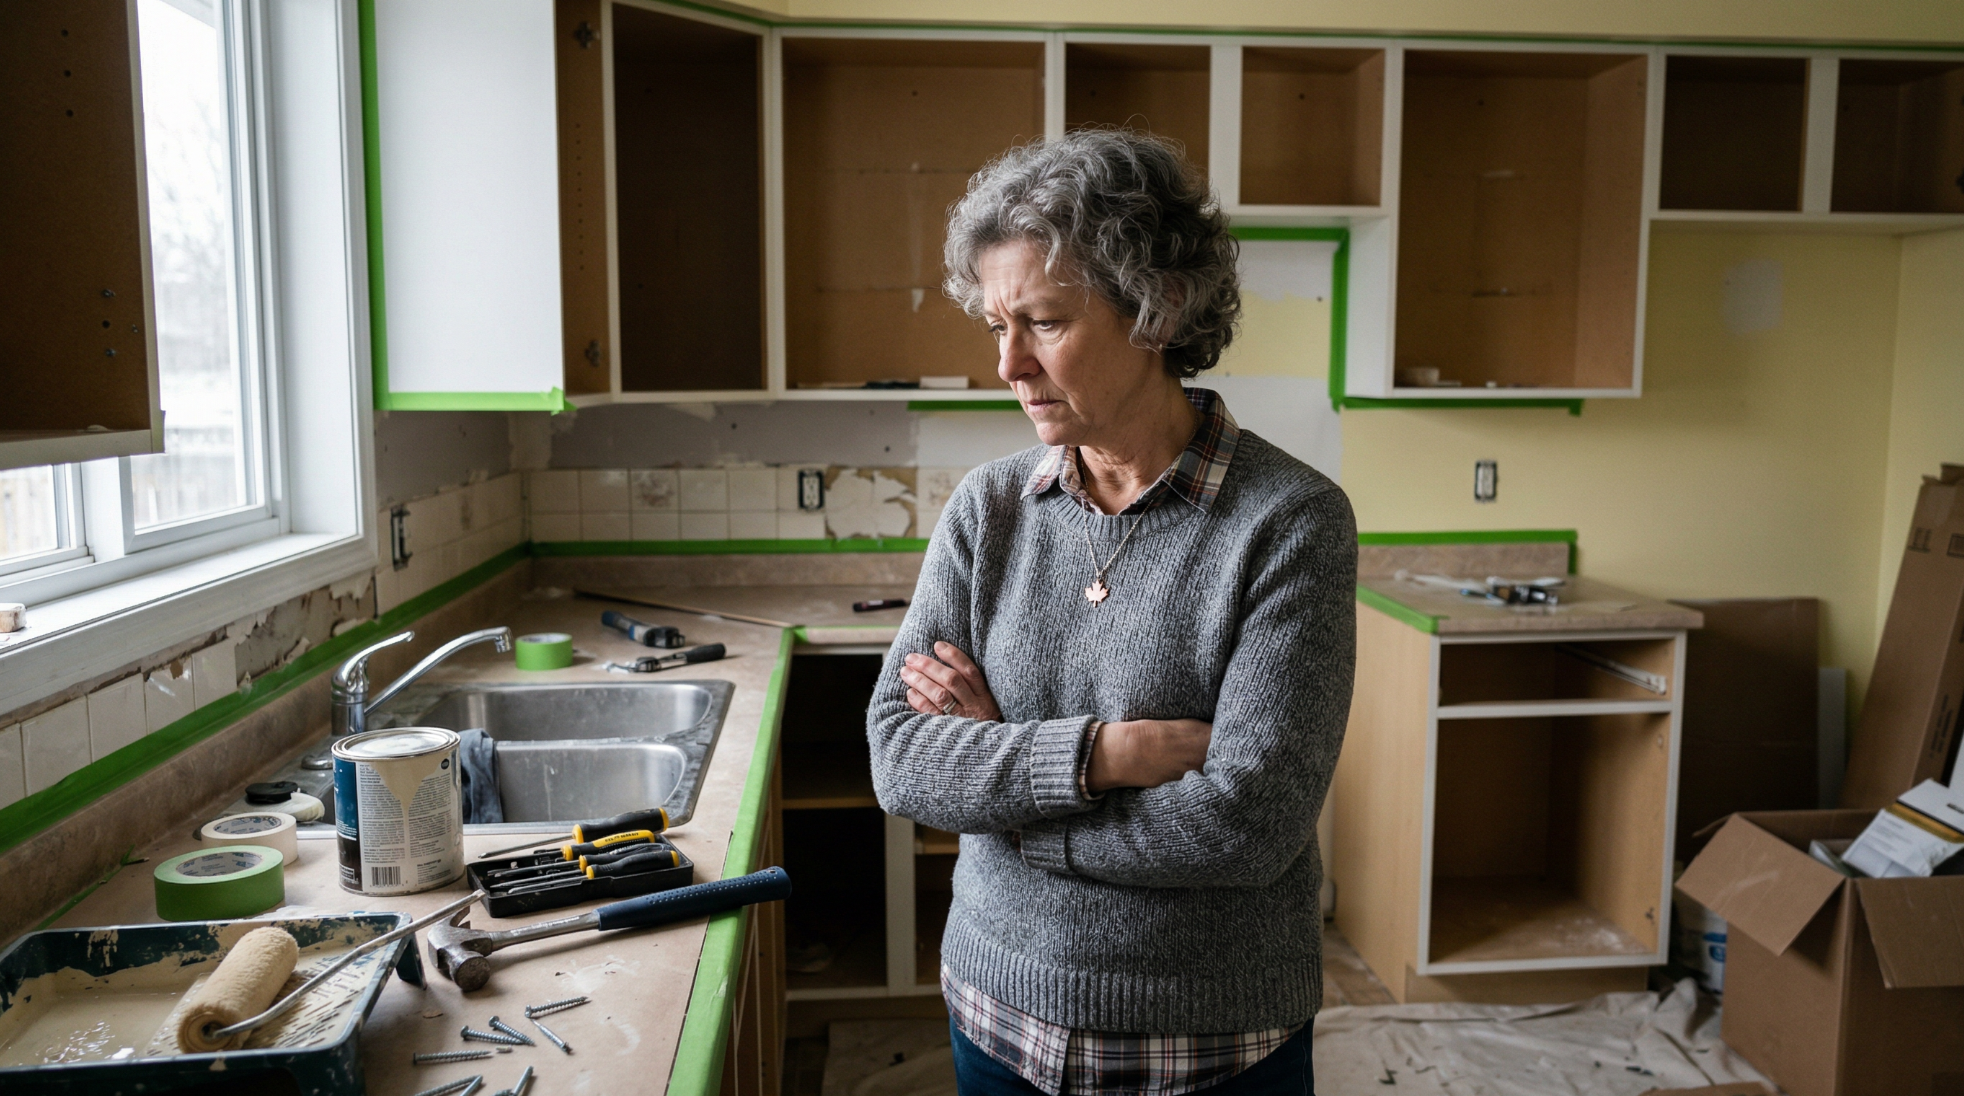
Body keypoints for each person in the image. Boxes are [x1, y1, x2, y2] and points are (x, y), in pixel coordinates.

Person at [866, 128, 1356, 1096]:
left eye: (1043, 322)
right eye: (994, 326)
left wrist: (1004, 794)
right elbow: (898, 757)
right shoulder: (989, 507)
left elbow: (1244, 829)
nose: (1007, 364)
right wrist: (1105, 757)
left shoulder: (1289, 521)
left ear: (1156, 306)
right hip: (996, 1005)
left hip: (1207, 1032)